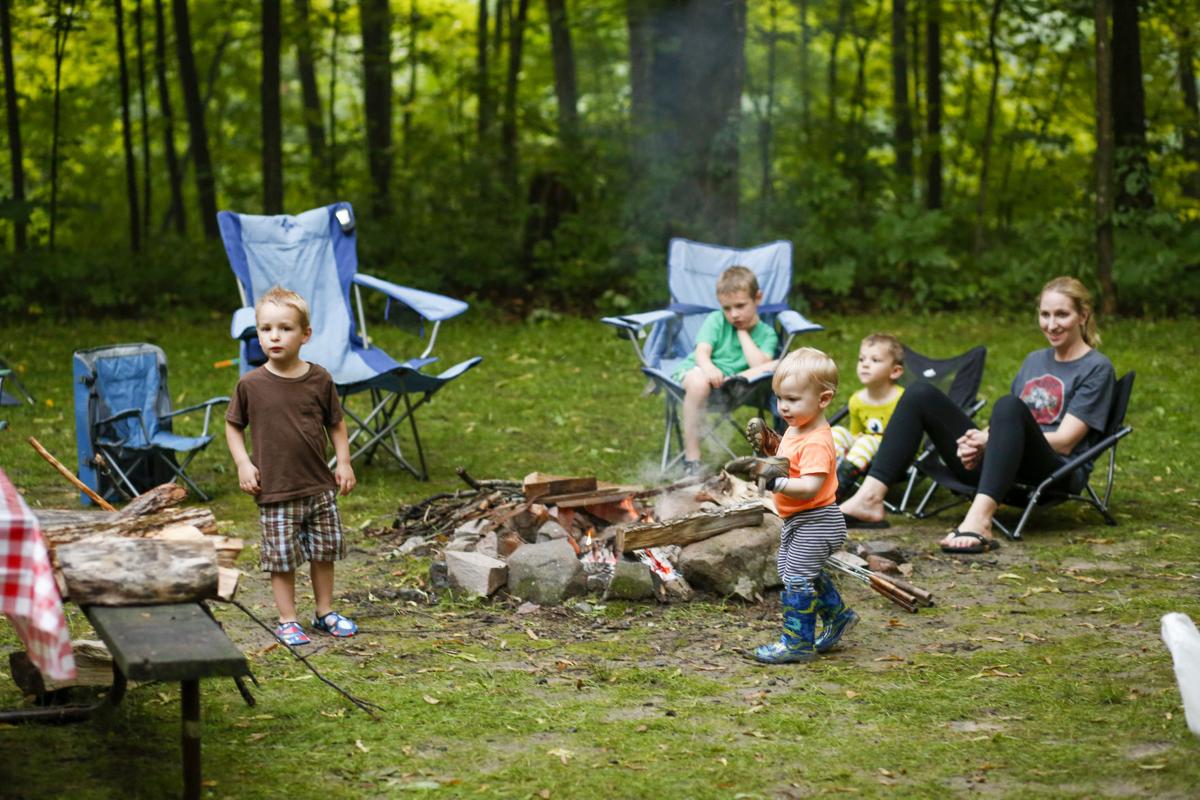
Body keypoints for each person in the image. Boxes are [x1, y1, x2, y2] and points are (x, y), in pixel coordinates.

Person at [840, 276, 1116, 553]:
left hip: (1055, 469)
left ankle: (980, 520)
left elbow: (1067, 440)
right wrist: (977, 440)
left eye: (1062, 314)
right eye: (1045, 314)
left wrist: (989, 441)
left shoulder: (1096, 368)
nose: (1051, 324)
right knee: (919, 394)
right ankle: (869, 498)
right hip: (1004, 464)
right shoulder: (1035, 360)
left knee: (1007, 405)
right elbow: (1007, 428)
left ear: (1083, 315)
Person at [225, 286, 358, 646]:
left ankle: (324, 612)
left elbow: (336, 423)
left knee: (323, 552)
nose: (274, 336)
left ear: (305, 335)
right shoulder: (250, 384)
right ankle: (287, 620)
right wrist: (242, 463)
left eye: (284, 328)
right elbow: (233, 425)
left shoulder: (320, 379)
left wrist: (343, 462)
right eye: (266, 329)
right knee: (281, 559)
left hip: (318, 486)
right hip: (275, 489)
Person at [725, 348, 858, 664]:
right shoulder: (799, 428)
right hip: (801, 520)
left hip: (818, 519)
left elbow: (809, 486)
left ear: (823, 399)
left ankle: (797, 642)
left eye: (793, 400)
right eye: (779, 399)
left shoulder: (817, 440)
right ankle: (837, 616)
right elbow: (789, 460)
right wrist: (770, 443)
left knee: (797, 575)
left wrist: (772, 481)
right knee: (792, 571)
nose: (783, 406)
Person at [673, 266, 779, 476]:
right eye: (727, 308)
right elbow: (701, 352)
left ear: (757, 298)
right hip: (699, 371)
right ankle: (692, 459)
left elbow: (759, 364)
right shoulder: (716, 320)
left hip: (736, 384)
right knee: (699, 382)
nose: (734, 314)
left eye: (740, 306)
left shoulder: (767, 334)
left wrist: (742, 332)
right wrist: (709, 368)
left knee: (777, 364)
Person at [831, 333, 906, 497]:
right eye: (861, 359)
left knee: (867, 440)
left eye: (875, 360)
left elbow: (907, 438)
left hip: (893, 454)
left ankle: (838, 489)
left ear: (895, 371)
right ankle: (823, 477)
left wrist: (865, 439)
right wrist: (856, 438)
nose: (865, 365)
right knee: (836, 432)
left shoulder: (904, 399)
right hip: (864, 449)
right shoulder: (857, 400)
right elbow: (855, 433)